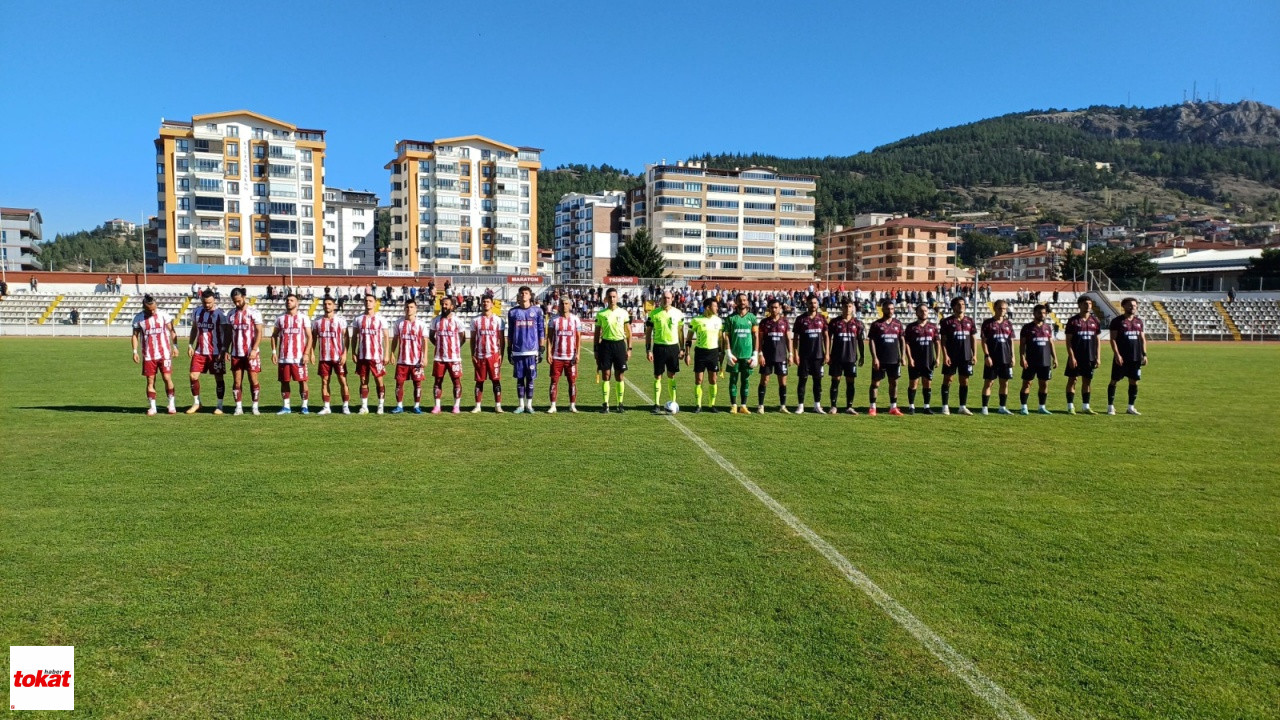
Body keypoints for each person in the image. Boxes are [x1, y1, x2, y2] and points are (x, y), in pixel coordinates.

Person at [131, 294, 177, 415]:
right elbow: (135, 335)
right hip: (148, 355)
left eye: (154, 309)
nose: (152, 311)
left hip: (164, 353)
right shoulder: (138, 318)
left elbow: (172, 331)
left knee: (167, 378)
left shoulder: (163, 315)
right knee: (150, 381)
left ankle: (171, 404)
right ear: (144, 307)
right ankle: (153, 407)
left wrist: (175, 346)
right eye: (149, 309)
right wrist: (134, 351)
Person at [185, 289, 230, 414]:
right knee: (193, 376)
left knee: (218, 378)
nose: (207, 305)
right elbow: (194, 328)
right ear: (201, 301)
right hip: (200, 351)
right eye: (205, 303)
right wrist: (190, 344)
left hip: (216, 352)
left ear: (214, 300)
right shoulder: (197, 312)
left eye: (210, 302)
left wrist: (225, 349)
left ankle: (219, 406)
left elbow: (227, 332)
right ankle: (197, 403)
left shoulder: (220, 314)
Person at [271, 293, 312, 415]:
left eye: (292, 300)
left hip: (299, 357)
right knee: (284, 381)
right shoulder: (280, 318)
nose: (289, 302)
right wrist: (274, 352)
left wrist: (306, 353)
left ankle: (304, 406)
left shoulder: (303, 318)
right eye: (287, 300)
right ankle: (286, 406)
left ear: (297, 303)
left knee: (302, 381)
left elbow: (309, 337)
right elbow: (274, 336)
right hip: (284, 357)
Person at [645, 290, 685, 414]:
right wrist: (648, 349)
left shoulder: (678, 313)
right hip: (659, 347)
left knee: (671, 375)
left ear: (672, 299)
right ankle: (656, 404)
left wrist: (682, 348)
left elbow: (680, 332)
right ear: (661, 299)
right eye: (664, 297)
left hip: (673, 347)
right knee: (658, 375)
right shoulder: (654, 313)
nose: (666, 300)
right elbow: (648, 332)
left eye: (668, 298)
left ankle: (673, 402)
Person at [507, 286, 546, 414]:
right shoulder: (512, 312)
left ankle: (529, 405)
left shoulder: (538, 311)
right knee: (519, 379)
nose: (523, 295)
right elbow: (511, 332)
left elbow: (541, 331)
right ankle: (521, 405)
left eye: (526, 293)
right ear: (518, 296)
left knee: (530, 379)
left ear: (530, 296)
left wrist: (541, 348)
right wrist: (509, 349)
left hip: (532, 351)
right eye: (521, 293)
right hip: (518, 351)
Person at [350, 293, 390, 414]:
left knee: (379, 380)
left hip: (377, 356)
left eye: (370, 300)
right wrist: (353, 352)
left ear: (375, 302)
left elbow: (387, 337)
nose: (368, 302)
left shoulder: (381, 319)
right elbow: (354, 337)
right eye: (366, 300)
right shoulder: (358, 319)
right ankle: (364, 406)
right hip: (362, 355)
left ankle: (380, 405)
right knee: (363, 380)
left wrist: (387, 354)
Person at [594, 288, 632, 413]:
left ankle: (620, 404)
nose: (612, 299)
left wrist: (629, 348)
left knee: (619, 375)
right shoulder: (601, 314)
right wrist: (596, 349)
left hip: (620, 345)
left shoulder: (624, 313)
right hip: (605, 345)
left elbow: (629, 332)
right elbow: (597, 333)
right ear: (606, 298)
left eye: (614, 296)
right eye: (610, 297)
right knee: (606, 374)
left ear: (617, 298)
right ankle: (606, 404)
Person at [226, 288, 263, 415]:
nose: (236, 304)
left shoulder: (254, 312)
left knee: (253, 380)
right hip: (236, 353)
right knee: (237, 381)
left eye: (238, 301)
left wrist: (254, 349)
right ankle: (238, 407)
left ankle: (255, 406)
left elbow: (259, 332)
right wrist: (226, 349)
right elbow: (228, 334)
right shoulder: (231, 314)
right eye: (234, 302)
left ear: (244, 297)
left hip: (251, 353)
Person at [1108, 297, 1147, 415]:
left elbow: (1142, 339)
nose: (1132, 307)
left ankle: (1131, 407)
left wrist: (1144, 354)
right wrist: (1117, 355)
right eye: (1130, 305)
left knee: (1134, 381)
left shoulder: (1139, 321)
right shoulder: (1117, 321)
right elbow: (1113, 339)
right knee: (1114, 381)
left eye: (1134, 306)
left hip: (1135, 358)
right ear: (1123, 306)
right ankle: (1110, 406)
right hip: (1121, 358)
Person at [311, 296, 351, 415]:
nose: (327, 306)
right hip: (324, 357)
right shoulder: (317, 321)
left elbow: (346, 337)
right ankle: (326, 406)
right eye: (325, 304)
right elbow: (313, 339)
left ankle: (345, 406)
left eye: (329, 304)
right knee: (324, 381)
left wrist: (345, 353)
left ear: (334, 306)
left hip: (338, 357)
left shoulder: (341, 320)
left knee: (342, 380)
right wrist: (312, 353)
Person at [939, 297, 978, 416]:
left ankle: (962, 407)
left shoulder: (970, 321)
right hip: (952, 356)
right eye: (958, 304)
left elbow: (973, 338)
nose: (961, 306)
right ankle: (945, 406)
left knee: (964, 381)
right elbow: (943, 341)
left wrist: (975, 354)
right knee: (948, 379)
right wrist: (945, 356)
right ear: (953, 307)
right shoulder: (947, 322)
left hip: (966, 356)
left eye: (963, 304)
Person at [867, 299, 906, 417]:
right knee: (875, 384)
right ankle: (872, 407)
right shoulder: (876, 324)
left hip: (894, 359)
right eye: (888, 309)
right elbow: (871, 341)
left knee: (894, 383)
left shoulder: (898, 324)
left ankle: (893, 407)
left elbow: (902, 340)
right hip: (880, 359)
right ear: (882, 309)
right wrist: (875, 358)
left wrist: (903, 356)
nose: (890, 311)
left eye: (892, 309)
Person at [685, 297, 723, 413]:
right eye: (715, 306)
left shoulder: (718, 320)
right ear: (708, 307)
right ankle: (698, 405)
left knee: (713, 379)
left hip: (713, 352)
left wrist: (721, 353)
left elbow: (721, 338)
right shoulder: (696, 320)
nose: (717, 308)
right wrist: (687, 354)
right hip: (700, 353)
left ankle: (712, 405)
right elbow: (689, 338)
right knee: (699, 379)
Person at [827, 297, 865, 415]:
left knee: (850, 382)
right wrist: (827, 353)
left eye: (850, 306)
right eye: (845, 306)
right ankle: (833, 406)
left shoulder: (858, 323)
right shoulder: (834, 322)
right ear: (841, 307)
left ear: (853, 307)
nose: (847, 309)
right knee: (835, 381)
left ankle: (849, 406)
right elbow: (828, 338)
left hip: (851, 357)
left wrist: (862, 355)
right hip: (837, 357)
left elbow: (860, 341)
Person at [722, 293, 759, 415]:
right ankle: (733, 405)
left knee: (745, 380)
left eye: (744, 300)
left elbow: (756, 336)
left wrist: (755, 354)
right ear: (736, 302)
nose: (742, 302)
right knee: (733, 380)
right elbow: (726, 336)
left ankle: (743, 405)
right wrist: (728, 352)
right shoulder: (730, 318)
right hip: (734, 356)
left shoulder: (752, 318)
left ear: (747, 302)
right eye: (740, 300)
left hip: (747, 355)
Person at [1064, 296, 1101, 415]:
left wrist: (1098, 357)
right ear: (1079, 305)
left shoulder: (1095, 321)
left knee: (1087, 381)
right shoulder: (1073, 321)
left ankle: (1086, 406)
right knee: (1072, 380)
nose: (1088, 306)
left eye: (1090, 303)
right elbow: (1068, 341)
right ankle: (1070, 406)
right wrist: (1072, 357)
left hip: (1090, 357)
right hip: (1076, 357)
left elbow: (1097, 340)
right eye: (1085, 303)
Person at [792, 294, 829, 414]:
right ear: (806, 304)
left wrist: (827, 352)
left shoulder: (822, 318)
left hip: (818, 355)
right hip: (804, 356)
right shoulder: (800, 319)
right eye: (810, 303)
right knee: (802, 380)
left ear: (817, 304)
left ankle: (817, 405)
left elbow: (826, 336)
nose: (812, 305)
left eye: (814, 303)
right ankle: (800, 406)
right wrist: (795, 354)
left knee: (817, 381)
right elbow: (796, 338)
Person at [429, 295, 466, 414]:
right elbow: (431, 336)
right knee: (438, 381)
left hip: (454, 358)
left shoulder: (457, 321)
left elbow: (463, 337)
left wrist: (455, 347)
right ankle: (437, 406)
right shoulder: (436, 320)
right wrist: (439, 346)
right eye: (442, 304)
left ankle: (456, 406)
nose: (444, 306)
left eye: (446, 304)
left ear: (452, 306)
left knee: (456, 381)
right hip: (439, 357)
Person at [391, 298, 428, 414]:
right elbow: (395, 339)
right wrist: (392, 353)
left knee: (417, 384)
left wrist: (425, 357)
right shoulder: (399, 323)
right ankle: (399, 406)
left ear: (416, 309)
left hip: (416, 360)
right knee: (399, 383)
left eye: (411, 307)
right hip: (402, 360)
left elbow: (425, 342)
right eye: (407, 307)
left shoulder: (421, 324)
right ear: (404, 309)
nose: (409, 309)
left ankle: (416, 406)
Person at [1018, 303, 1057, 415]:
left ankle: (1042, 407)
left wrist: (1055, 358)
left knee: (1044, 384)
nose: (1042, 315)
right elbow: (1022, 345)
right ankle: (1024, 407)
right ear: (1034, 313)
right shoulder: (1027, 328)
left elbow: (1050, 343)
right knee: (1027, 383)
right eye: (1039, 312)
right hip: (1030, 361)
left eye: (1044, 313)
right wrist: (1022, 357)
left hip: (1045, 361)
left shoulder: (1047, 327)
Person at [469, 295, 505, 413]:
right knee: (479, 381)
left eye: (488, 302)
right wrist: (472, 354)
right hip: (480, 355)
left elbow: (502, 339)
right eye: (483, 302)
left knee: (496, 380)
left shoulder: (498, 320)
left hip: (493, 355)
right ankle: (478, 405)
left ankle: (498, 405)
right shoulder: (475, 320)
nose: (485, 304)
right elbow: (473, 339)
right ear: (481, 304)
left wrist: (501, 354)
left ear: (492, 304)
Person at [756, 299, 792, 414]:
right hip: (767, 356)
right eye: (772, 307)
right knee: (764, 380)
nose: (774, 309)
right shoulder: (764, 322)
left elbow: (788, 339)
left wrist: (790, 354)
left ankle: (782, 406)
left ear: (780, 308)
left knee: (782, 381)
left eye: (776, 307)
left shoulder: (785, 322)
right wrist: (760, 354)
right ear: (769, 308)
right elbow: (759, 340)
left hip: (781, 356)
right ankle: (761, 406)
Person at [547, 296, 582, 413]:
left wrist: (578, 354)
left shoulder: (575, 319)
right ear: (559, 305)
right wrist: (549, 353)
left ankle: (572, 405)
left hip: (570, 356)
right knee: (554, 381)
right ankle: (553, 405)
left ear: (570, 305)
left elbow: (578, 338)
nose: (564, 306)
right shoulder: (553, 319)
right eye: (562, 303)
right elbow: (549, 338)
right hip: (557, 356)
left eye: (567, 303)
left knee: (572, 382)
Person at [980, 300, 1016, 415]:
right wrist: (987, 356)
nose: (1002, 311)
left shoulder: (1008, 324)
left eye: (1004, 309)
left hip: (1005, 358)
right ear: (994, 308)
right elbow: (984, 341)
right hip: (992, 358)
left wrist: (1013, 356)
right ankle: (985, 407)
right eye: (1000, 308)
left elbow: (1011, 341)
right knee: (989, 382)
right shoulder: (987, 323)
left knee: (1004, 383)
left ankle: (1002, 407)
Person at [904, 303, 940, 414]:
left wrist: (938, 358)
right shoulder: (911, 327)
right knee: (913, 383)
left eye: (926, 311)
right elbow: (907, 344)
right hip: (915, 360)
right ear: (917, 313)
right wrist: (909, 358)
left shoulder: (933, 327)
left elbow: (937, 343)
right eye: (921, 311)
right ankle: (911, 406)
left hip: (928, 360)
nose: (924, 313)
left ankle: (926, 407)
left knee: (927, 383)